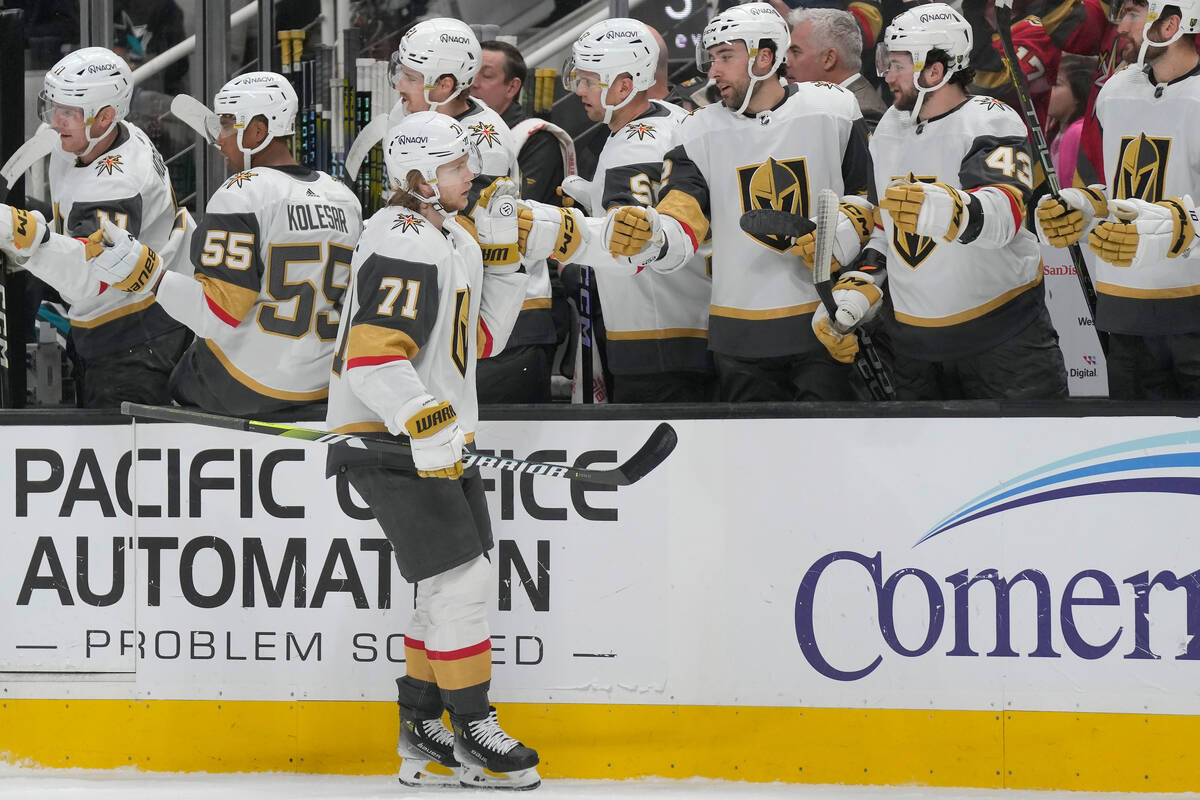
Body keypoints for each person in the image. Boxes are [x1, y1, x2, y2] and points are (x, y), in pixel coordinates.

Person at [324, 111, 536, 789]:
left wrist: (505, 264)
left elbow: (479, 345)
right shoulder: (402, 237)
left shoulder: (454, 239)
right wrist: (422, 418)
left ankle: (420, 728)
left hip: (435, 438)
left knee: (446, 584)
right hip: (390, 438)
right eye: (454, 167)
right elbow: (371, 357)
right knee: (461, 582)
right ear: (419, 179)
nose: (469, 174)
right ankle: (474, 726)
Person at [586, 3, 878, 402]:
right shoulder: (698, 128)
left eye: (725, 56)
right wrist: (652, 234)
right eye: (711, 59)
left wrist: (841, 234)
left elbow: (867, 198)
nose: (713, 71)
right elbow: (682, 212)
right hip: (737, 337)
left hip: (823, 323)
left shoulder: (834, 108)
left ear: (766, 55)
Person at [86, 71, 363, 416]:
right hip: (324, 383)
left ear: (259, 131)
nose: (219, 139)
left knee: (174, 365)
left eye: (229, 124)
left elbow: (216, 316)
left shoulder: (242, 192)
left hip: (248, 386)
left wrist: (148, 275)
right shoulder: (344, 199)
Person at [873, 3, 1068, 400]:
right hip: (914, 347)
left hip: (1002, 340)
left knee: (1028, 453)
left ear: (935, 70)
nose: (888, 76)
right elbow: (884, 224)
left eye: (898, 65)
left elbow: (1006, 211)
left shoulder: (990, 119)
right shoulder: (889, 128)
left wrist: (951, 210)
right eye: (887, 63)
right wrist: (862, 281)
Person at [0, 46, 192, 408]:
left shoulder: (118, 185)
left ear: (105, 117)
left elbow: (89, 282)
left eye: (69, 112)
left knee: (118, 450)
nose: (55, 121)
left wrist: (23, 233)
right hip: (119, 318)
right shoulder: (102, 136)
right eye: (53, 106)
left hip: (135, 341)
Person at [1040, 0, 1200, 399]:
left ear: (1171, 25)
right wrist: (1087, 204)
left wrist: (1179, 225)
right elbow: (1119, 190)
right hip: (1124, 309)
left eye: (1131, 14)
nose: (1119, 28)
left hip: (1192, 310)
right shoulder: (1115, 90)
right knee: (1134, 450)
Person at [391, 19, 555, 403]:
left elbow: (457, 231)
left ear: (444, 85)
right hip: (457, 308)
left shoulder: (483, 141)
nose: (400, 85)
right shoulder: (412, 118)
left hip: (504, 318)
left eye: (411, 77)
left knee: (484, 449)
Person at [560, 17, 714, 402]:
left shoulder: (632, 147)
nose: (579, 89)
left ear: (625, 85)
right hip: (692, 321)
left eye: (589, 80)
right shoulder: (671, 116)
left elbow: (630, 248)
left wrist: (560, 233)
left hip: (655, 335)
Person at [472, 40, 565, 206]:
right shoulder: (454, 127)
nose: (474, 83)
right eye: (471, 73)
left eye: (486, 75)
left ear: (512, 88)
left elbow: (520, 208)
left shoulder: (537, 139)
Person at [786, 8, 888, 132]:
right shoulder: (815, 99)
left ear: (829, 58)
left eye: (795, 52)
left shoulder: (863, 113)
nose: (786, 61)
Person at [1048, 53, 1096, 181]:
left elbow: (1068, 187)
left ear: (1079, 92)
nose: (1047, 90)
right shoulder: (1057, 130)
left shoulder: (1077, 132)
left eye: (1056, 84)